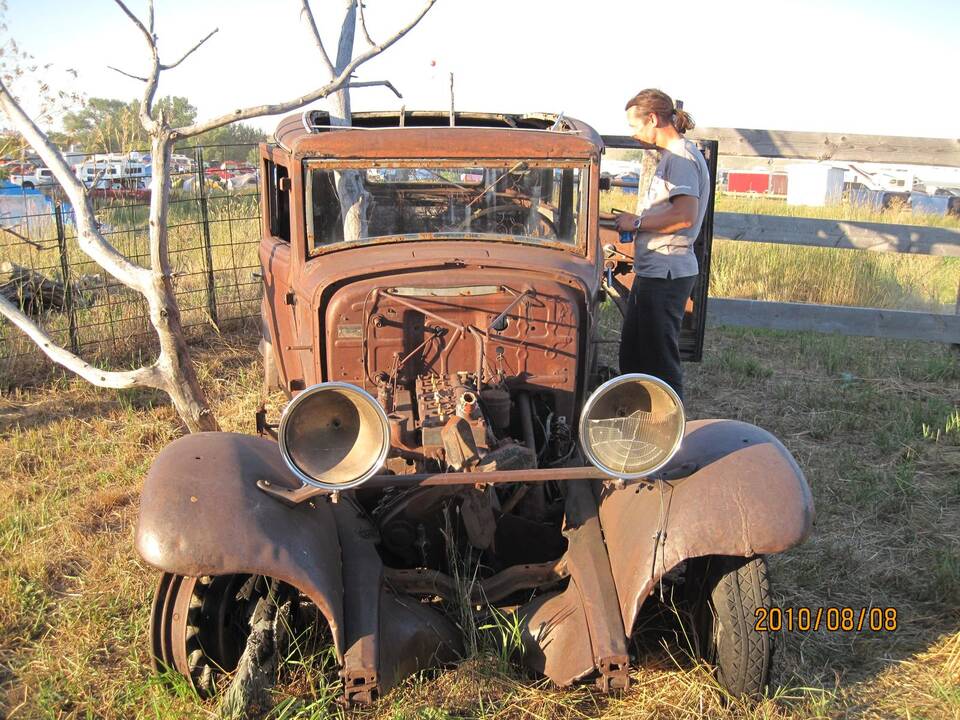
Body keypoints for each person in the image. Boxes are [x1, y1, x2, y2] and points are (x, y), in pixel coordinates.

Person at [613, 89, 710, 402]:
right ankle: (641, 423)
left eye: (635, 125)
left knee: (659, 363)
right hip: (656, 270)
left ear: (652, 119)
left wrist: (637, 224)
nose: (633, 134)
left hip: (666, 273)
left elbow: (684, 215)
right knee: (635, 356)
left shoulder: (681, 158)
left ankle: (671, 434)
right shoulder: (673, 157)